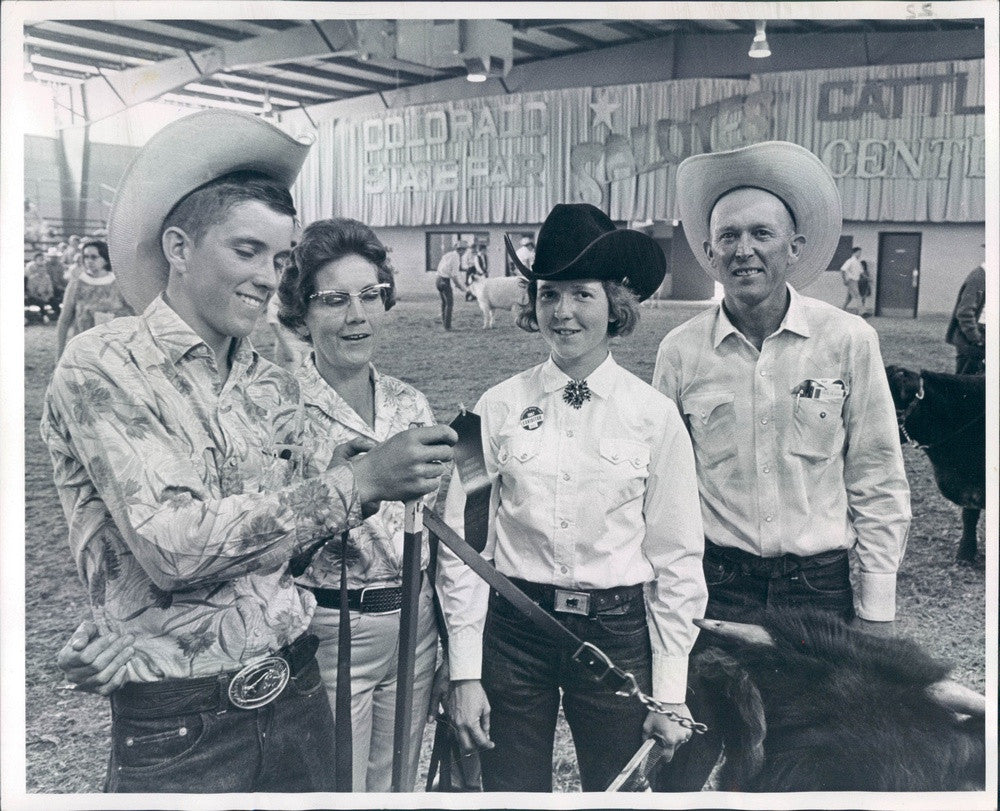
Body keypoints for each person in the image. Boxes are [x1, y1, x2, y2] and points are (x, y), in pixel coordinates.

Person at [40, 110, 456, 794]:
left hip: (296, 691)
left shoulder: (269, 381)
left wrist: (348, 479)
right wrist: (355, 483)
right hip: (182, 725)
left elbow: (280, 546)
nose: (269, 276)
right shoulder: (104, 367)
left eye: (280, 257)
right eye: (246, 251)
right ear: (178, 247)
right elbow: (173, 548)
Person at [437, 203, 707, 792]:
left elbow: (677, 558)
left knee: (618, 796)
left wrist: (669, 690)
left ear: (616, 304)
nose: (563, 312)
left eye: (582, 294)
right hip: (513, 634)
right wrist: (464, 672)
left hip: (615, 634)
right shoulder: (494, 408)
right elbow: (462, 550)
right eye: (549, 293)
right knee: (511, 796)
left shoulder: (655, 418)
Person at [652, 141, 910, 633]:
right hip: (718, 585)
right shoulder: (680, 351)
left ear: (794, 248)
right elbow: (665, 486)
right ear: (709, 253)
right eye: (728, 236)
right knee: (715, 714)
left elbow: (877, 476)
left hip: (818, 588)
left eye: (761, 233)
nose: (743, 250)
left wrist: (878, 608)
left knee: (816, 714)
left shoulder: (849, 340)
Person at [275, 217, 442, 791]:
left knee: (397, 784)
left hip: (415, 626)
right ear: (301, 313)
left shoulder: (408, 402)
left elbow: (442, 530)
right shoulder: (275, 409)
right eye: (334, 300)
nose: (357, 315)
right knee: (334, 789)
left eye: (370, 295)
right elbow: (263, 544)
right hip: (327, 625)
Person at [54, 239, 133, 359]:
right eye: (86, 257)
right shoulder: (77, 283)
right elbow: (64, 321)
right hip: (83, 348)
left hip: (114, 350)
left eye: (94, 257)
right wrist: (59, 355)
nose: (89, 261)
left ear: (105, 259)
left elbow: (133, 317)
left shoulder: (119, 283)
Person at [945, 249, 986, 374]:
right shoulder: (979, 277)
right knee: (966, 385)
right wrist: (976, 339)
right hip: (971, 342)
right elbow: (964, 312)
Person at [435, 239, 468, 330]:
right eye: (464, 250)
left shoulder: (447, 254)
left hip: (438, 279)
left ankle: (444, 323)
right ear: (461, 250)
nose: (464, 253)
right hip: (445, 281)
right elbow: (454, 275)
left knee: (444, 303)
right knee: (450, 304)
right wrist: (460, 286)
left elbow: (441, 268)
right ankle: (448, 326)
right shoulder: (456, 258)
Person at [840, 245, 870, 316]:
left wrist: (867, 278)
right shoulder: (850, 261)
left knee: (849, 298)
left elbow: (861, 272)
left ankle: (841, 311)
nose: (860, 254)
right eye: (859, 252)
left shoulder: (857, 262)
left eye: (860, 253)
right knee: (858, 296)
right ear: (854, 253)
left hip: (855, 281)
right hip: (851, 280)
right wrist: (844, 280)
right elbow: (843, 270)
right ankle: (862, 312)